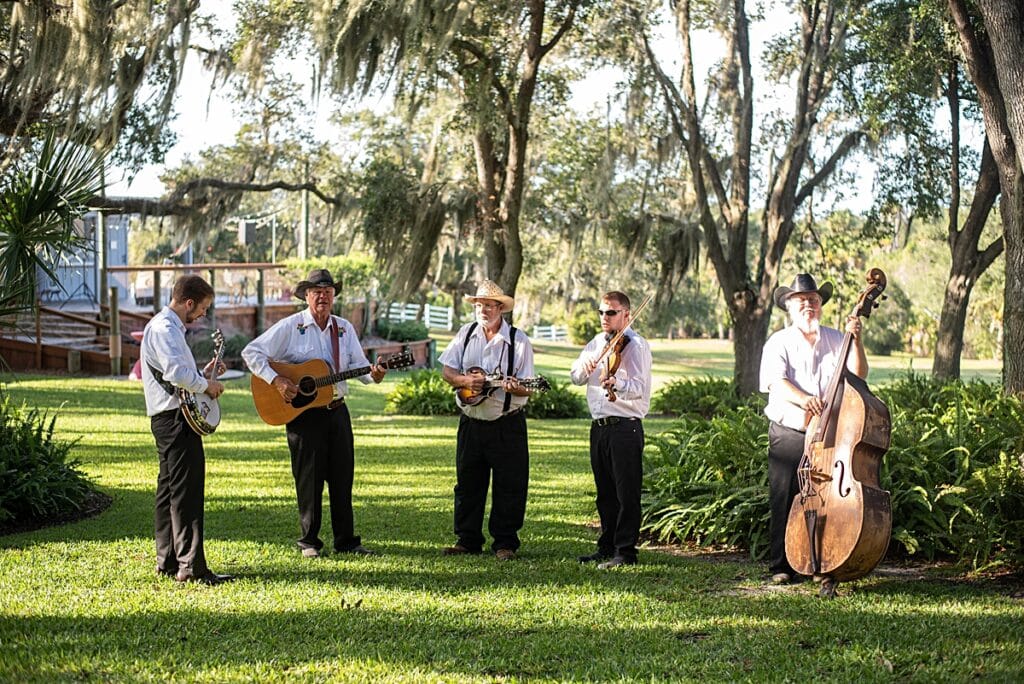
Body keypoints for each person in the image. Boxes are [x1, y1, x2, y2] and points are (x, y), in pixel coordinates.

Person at [242, 268, 386, 558]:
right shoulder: (291, 327)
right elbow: (251, 352)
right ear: (306, 295)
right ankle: (309, 542)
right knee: (309, 480)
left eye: (327, 291)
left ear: (333, 296)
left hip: (337, 411)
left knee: (343, 477)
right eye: (316, 291)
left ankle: (346, 541)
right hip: (303, 415)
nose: (322, 296)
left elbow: (360, 367)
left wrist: (375, 374)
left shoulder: (343, 329)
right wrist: (277, 380)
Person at [758, 273, 867, 590]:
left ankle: (823, 560)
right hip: (791, 430)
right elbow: (776, 383)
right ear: (790, 307)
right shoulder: (778, 342)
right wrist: (806, 400)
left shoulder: (837, 338)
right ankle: (781, 564)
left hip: (830, 434)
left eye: (814, 300)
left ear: (821, 306)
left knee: (828, 499)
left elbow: (859, 375)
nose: (808, 304)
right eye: (801, 300)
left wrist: (856, 340)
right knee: (785, 497)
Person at [141, 274, 233, 585]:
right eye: (203, 308)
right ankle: (191, 568)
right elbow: (177, 373)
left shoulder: (165, 327)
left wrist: (202, 373)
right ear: (189, 303)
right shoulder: (166, 328)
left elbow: (179, 374)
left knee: (168, 490)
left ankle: (167, 560)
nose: (204, 314)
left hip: (167, 418)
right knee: (187, 493)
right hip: (175, 420)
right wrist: (207, 384)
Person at [438, 279, 536, 561]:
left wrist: (512, 386)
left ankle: (505, 543)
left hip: (507, 423)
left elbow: (528, 386)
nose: (483, 310)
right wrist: (464, 380)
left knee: (510, 484)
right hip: (471, 421)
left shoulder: (518, 340)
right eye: (479, 305)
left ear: (500, 309)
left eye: (489, 305)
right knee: (467, 482)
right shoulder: (466, 333)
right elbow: (447, 371)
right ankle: (467, 539)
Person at [570, 291, 652, 569]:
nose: (605, 317)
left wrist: (615, 384)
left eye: (611, 312)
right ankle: (606, 546)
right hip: (600, 427)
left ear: (626, 315)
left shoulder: (636, 346)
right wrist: (585, 366)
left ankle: (625, 551)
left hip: (624, 427)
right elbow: (576, 377)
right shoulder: (596, 343)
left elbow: (641, 391)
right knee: (604, 492)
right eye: (602, 312)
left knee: (625, 493)